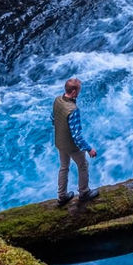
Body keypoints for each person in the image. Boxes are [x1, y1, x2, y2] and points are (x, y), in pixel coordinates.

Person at [52, 77, 99, 206]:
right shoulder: (73, 110)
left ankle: (62, 196)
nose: (79, 93)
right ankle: (84, 193)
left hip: (60, 142)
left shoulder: (57, 100)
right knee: (83, 165)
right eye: (78, 91)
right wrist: (89, 149)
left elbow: (53, 119)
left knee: (63, 167)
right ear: (73, 92)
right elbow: (76, 136)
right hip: (71, 146)